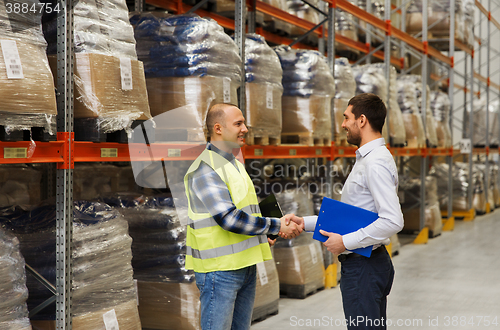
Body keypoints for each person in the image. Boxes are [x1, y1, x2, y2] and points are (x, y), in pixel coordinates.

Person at [289, 93, 404, 330]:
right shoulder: (368, 159)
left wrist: (346, 242)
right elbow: (352, 215)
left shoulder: (375, 163)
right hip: (366, 264)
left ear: (361, 120)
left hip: (364, 267)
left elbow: (393, 220)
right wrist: (305, 222)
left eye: (346, 118)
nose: (342, 125)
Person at [184, 103, 302, 330]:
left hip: (245, 265)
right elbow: (229, 218)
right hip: (219, 271)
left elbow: (247, 210)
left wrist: (264, 233)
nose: (245, 129)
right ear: (218, 128)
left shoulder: (234, 163)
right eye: (238, 124)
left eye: (244, 123)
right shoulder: (205, 168)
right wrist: (276, 225)